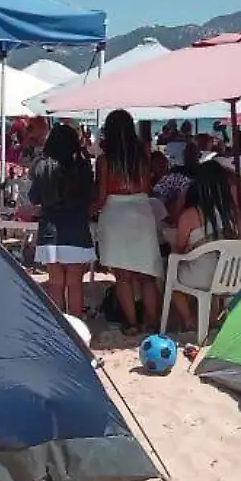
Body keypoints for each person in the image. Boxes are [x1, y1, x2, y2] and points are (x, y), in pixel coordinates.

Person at [95, 109, 162, 336]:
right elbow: (147, 188)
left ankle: (132, 323)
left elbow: (101, 197)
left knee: (122, 276)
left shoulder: (105, 160)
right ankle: (151, 322)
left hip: (115, 212)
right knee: (147, 275)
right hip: (141, 210)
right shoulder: (143, 155)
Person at [170, 161, 241, 333]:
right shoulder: (236, 215)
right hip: (232, 276)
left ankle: (189, 320)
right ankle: (214, 318)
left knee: (172, 276)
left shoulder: (190, 215)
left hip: (200, 277)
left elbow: (180, 248)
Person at [29, 124, 96, 319]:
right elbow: (91, 196)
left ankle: (59, 329)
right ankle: (76, 327)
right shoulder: (82, 167)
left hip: (49, 229)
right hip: (76, 228)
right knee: (75, 284)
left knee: (55, 283)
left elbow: (34, 198)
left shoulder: (42, 166)